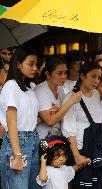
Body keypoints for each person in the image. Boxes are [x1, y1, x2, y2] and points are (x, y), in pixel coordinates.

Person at [0, 47, 40, 189]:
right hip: (17, 143)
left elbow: (29, 119)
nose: (35, 68)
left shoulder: (30, 88)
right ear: (18, 64)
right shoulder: (11, 86)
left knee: (33, 185)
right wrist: (17, 155)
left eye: (36, 64)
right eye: (30, 64)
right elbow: (11, 122)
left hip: (33, 139)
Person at [62, 62, 102, 188]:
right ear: (82, 76)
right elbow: (69, 129)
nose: (96, 81)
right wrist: (76, 156)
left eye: (99, 78)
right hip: (80, 149)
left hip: (96, 149)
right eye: (93, 76)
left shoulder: (96, 94)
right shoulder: (71, 97)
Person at [34, 56, 81, 139]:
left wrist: (58, 112)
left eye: (65, 73)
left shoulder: (60, 88)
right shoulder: (41, 90)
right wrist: (70, 101)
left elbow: (60, 114)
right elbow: (50, 120)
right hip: (42, 141)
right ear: (48, 74)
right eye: (59, 73)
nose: (64, 77)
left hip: (57, 140)